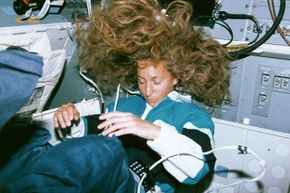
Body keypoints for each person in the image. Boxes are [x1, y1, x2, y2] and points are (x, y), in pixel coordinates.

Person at [54, 0, 231, 192]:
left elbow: (198, 169)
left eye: (156, 82)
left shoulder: (193, 116)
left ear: (177, 77)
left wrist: (154, 131)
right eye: (141, 80)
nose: (147, 90)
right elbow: (85, 132)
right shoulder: (124, 106)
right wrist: (71, 120)